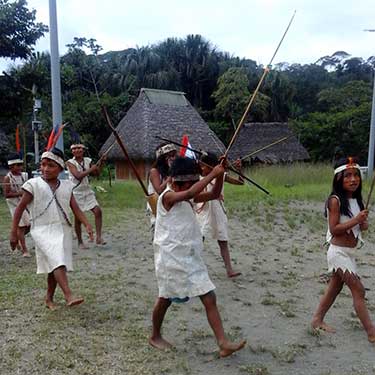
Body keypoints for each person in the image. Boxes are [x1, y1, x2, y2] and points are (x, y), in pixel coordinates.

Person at [150, 156, 246, 357]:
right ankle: (155, 335)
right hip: (170, 257)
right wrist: (213, 173)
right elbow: (193, 192)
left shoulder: (186, 195)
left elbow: (214, 194)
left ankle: (223, 342)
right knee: (165, 298)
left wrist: (220, 174)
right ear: (176, 182)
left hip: (190, 256)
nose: (193, 186)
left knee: (209, 295)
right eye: (189, 183)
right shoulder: (167, 197)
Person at [10, 148, 94, 310]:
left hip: (62, 229)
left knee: (54, 264)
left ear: (61, 168)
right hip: (42, 230)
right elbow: (19, 208)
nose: (46, 169)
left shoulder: (67, 186)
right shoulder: (33, 185)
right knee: (57, 259)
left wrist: (87, 224)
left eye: (51, 166)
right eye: (43, 165)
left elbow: (75, 209)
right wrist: (14, 232)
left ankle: (49, 299)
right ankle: (69, 295)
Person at [311, 157, 375, 342]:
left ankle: (317, 320)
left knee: (334, 287)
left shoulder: (356, 200)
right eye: (347, 176)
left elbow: (361, 228)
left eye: (356, 175)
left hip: (350, 253)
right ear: (339, 178)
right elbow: (334, 229)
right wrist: (356, 220)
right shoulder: (335, 200)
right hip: (338, 253)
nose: (353, 179)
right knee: (359, 290)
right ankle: (371, 332)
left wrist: (362, 223)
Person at [196, 152, 243, 278]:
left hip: (217, 210)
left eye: (204, 166)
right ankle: (194, 267)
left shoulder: (221, 175)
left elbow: (240, 182)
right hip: (203, 210)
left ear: (212, 166)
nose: (201, 168)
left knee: (223, 240)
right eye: (200, 165)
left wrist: (238, 169)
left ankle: (229, 270)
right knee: (199, 238)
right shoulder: (198, 177)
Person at [66, 143, 105, 248]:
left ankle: (99, 237)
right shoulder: (70, 162)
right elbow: (78, 176)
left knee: (98, 211)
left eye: (79, 148)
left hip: (87, 190)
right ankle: (80, 242)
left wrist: (101, 163)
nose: (76, 150)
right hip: (76, 192)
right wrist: (91, 169)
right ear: (72, 151)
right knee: (78, 218)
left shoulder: (88, 160)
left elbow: (96, 174)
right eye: (74, 149)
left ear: (83, 150)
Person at [4, 153, 31, 257]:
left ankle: (17, 237)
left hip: (24, 203)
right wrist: (20, 193)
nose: (20, 167)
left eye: (21, 165)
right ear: (11, 167)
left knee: (29, 225)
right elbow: (7, 194)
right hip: (14, 204)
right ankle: (25, 250)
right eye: (17, 165)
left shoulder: (24, 175)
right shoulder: (8, 178)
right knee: (21, 226)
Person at [147, 143, 177, 229]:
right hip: (157, 207)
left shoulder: (170, 170)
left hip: (170, 207)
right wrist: (171, 175)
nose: (174, 158)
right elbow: (159, 190)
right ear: (163, 158)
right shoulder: (154, 171)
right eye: (171, 156)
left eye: (175, 155)